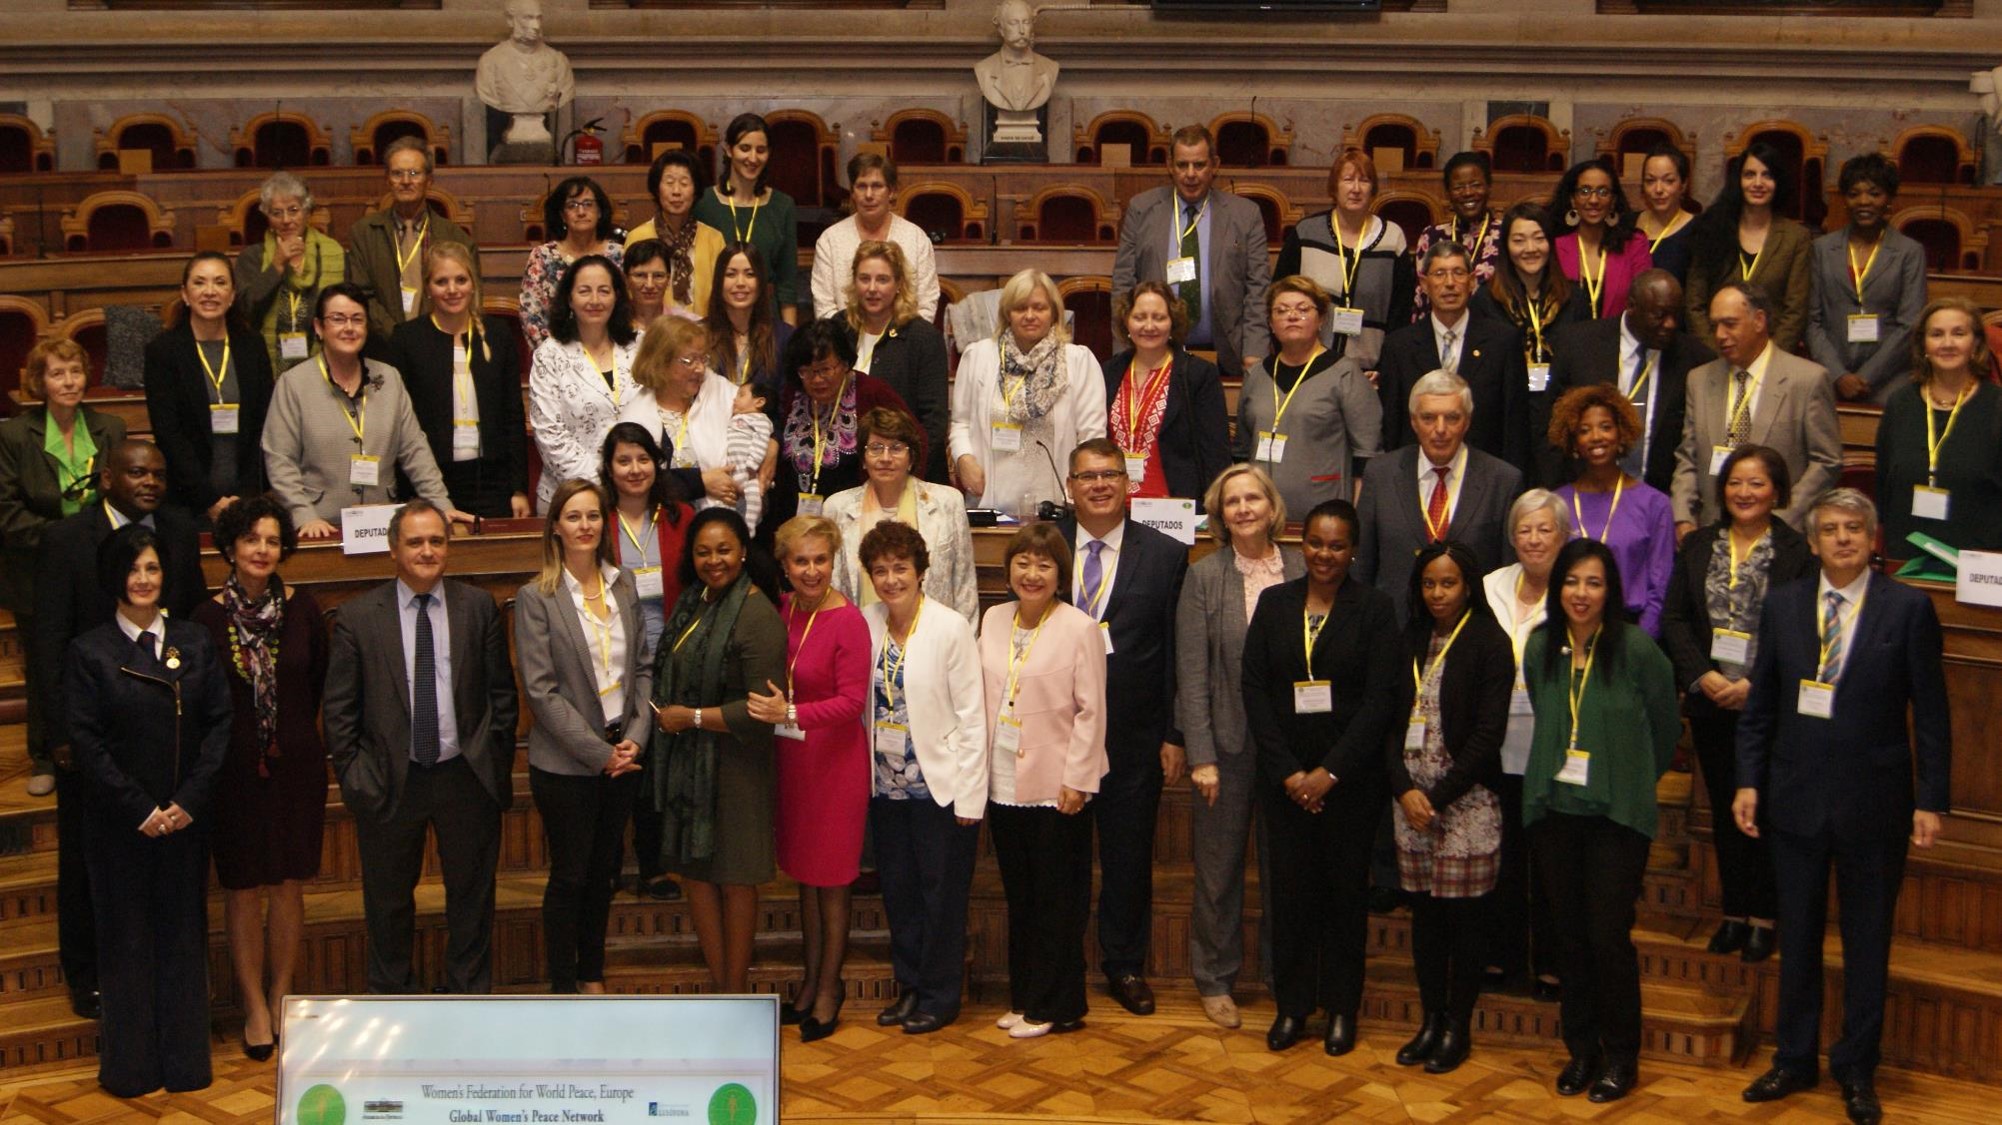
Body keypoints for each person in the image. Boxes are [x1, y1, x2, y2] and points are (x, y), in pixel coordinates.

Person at [1734, 489, 1950, 1125]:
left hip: (1876, 805)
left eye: (1854, 528)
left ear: (1872, 537)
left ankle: (1856, 1068)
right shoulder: (1783, 605)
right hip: (1794, 798)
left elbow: (1931, 715)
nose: (1843, 539)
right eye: (1830, 529)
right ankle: (1794, 1058)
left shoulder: (1907, 609)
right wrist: (1748, 782)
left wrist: (1932, 799)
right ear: (1814, 541)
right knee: (1797, 937)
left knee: (1867, 943)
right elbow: (1761, 706)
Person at [32, 440, 205, 1022]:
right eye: (136, 472)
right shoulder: (65, 540)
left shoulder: (177, 533)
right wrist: (59, 734)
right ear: (107, 479)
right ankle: (88, 976)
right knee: (86, 862)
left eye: (158, 473)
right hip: (92, 737)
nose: (150, 482)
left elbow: (192, 622)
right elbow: (48, 640)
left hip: (166, 735)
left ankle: (165, 972)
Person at [324, 501, 519, 994]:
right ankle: (392, 998)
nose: (427, 551)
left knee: (471, 898)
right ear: (393, 549)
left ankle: (467, 997)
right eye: (415, 542)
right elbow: (340, 711)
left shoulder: (478, 607)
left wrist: (492, 760)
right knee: (388, 901)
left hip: (465, 775)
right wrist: (356, 776)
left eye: (436, 541)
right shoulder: (357, 618)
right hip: (390, 779)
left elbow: (502, 695)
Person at [64, 525, 231, 1097]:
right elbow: (86, 745)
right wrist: (141, 809)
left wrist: (187, 802)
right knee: (126, 947)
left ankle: (186, 1066)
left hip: (184, 822)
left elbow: (219, 726)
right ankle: (131, 1070)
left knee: (184, 942)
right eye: (133, 569)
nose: (143, 579)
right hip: (120, 827)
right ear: (114, 577)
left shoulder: (194, 641)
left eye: (153, 568)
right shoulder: (89, 651)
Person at [1521, 538, 1682, 1103]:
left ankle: (1621, 1055)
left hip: (1617, 817)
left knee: (1607, 937)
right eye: (1571, 581)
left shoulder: (1636, 649)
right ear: (1557, 587)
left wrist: (1632, 777)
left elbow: (1666, 727)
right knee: (1568, 937)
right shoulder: (1540, 646)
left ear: (1610, 590)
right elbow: (1545, 713)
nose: (1581, 593)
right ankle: (1581, 1051)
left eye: (1593, 582)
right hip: (1555, 813)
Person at [1242, 499, 1399, 1055]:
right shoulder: (1275, 602)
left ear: (1352, 551)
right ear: (1300, 543)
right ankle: (1292, 1007)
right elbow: (1254, 687)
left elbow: (1381, 700)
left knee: (1343, 901)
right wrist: (1289, 772)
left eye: (1336, 546)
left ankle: (1340, 1010)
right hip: (1285, 785)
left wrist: (1329, 772)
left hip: (1350, 785)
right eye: (1315, 543)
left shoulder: (1375, 609)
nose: (1324, 554)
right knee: (1290, 899)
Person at [1660, 446, 1812, 965]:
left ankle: (1765, 917)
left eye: (1756, 483)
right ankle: (1734, 912)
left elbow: (1801, 629)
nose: (1744, 493)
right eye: (1734, 483)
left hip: (1765, 704)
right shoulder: (1699, 544)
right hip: (1710, 700)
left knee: (1763, 809)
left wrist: (1755, 684)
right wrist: (1700, 675)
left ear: (1778, 491)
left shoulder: (1796, 551)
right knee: (1726, 809)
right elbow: (1675, 618)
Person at [1054, 438, 1189, 1017]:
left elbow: (1178, 652)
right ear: (1070, 487)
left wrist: (1175, 734)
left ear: (1128, 483)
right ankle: (1059, 964)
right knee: (1061, 859)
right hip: (1058, 734)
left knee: (1128, 859)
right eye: (1087, 476)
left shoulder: (1165, 554)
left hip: (1134, 736)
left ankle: (1125, 964)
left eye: (1110, 474)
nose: (1100, 485)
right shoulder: (1045, 547)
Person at [191, 496, 328, 1059]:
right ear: (230, 547)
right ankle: (252, 1004)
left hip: (296, 766)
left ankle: (281, 996)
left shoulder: (305, 610)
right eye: (251, 539)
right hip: (232, 772)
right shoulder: (205, 620)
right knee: (243, 888)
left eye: (272, 540)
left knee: (289, 884)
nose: (262, 550)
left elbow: (314, 686)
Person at [1175, 464, 1302, 1029]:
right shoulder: (1205, 576)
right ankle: (1215, 978)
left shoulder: (1302, 568)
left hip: (1292, 749)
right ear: (1220, 515)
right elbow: (1192, 672)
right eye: (1233, 502)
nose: (1244, 508)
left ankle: (1284, 975)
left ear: (1272, 507)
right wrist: (1201, 755)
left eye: (1254, 498)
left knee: (1288, 871)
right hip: (1226, 746)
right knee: (1218, 871)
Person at [514, 479, 652, 994]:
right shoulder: (537, 598)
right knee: (571, 876)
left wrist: (636, 737)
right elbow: (541, 691)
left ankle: (591, 974)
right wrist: (600, 754)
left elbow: (643, 669)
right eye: (573, 516)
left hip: (624, 754)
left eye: (593, 515)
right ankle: (562, 985)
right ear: (555, 527)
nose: (585, 525)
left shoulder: (624, 585)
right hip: (567, 765)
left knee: (603, 874)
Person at [649, 508, 788, 994]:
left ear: (744, 551)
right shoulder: (696, 600)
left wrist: (690, 717)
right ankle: (719, 989)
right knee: (697, 876)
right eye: (703, 552)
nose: (714, 561)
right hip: (691, 766)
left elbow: (760, 710)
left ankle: (736, 995)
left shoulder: (757, 614)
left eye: (724, 550)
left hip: (737, 768)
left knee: (734, 879)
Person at [858, 520, 988, 1034]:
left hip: (941, 787)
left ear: (920, 571)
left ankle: (941, 995)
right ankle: (910, 987)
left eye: (900, 568)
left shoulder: (949, 627)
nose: (891, 579)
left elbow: (972, 717)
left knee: (942, 898)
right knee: (900, 893)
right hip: (884, 787)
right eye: (880, 570)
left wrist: (970, 797)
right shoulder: (866, 622)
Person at [1387, 542, 1512, 1075]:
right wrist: (1404, 791)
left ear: (1468, 585)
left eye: (1448, 583)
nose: (1437, 593)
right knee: (1427, 921)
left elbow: (1488, 736)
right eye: (1429, 583)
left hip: (1465, 806)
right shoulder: (1410, 637)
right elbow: (1387, 720)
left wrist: (1435, 798)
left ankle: (1457, 1026)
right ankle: (1430, 1020)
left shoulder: (1489, 641)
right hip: (1410, 806)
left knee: (1465, 924)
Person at [980, 523, 1109, 1039]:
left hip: (1059, 787)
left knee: (1059, 901)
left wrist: (1078, 780)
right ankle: (1026, 998)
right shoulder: (993, 619)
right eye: (1023, 563)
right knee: (1022, 898)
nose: (1032, 574)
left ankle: (1058, 1005)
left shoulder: (1080, 628)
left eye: (1044, 565)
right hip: (1003, 782)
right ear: (1008, 569)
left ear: (1060, 574)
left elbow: (1092, 712)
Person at [743, 516, 869, 1040]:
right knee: (805, 879)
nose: (812, 570)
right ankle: (809, 980)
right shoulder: (782, 609)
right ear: (785, 566)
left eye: (821, 560)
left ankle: (830, 989)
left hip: (835, 767)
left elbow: (852, 702)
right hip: (793, 766)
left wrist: (790, 713)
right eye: (801, 561)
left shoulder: (849, 620)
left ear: (834, 561)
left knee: (832, 883)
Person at [0, 339, 126, 799]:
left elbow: (123, 494)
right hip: (36, 568)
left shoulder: (110, 428)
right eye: (57, 373)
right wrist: (64, 538)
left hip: (98, 566)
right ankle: (45, 755)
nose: (69, 382)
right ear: (40, 381)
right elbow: (6, 512)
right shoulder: (15, 435)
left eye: (75, 371)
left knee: (104, 658)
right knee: (45, 665)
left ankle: (106, 746)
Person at [261, 283, 467, 539]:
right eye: (338, 319)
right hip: (321, 526)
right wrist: (304, 515)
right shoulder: (294, 384)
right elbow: (280, 459)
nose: (349, 328)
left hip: (382, 525)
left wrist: (441, 505)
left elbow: (415, 450)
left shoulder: (388, 378)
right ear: (319, 327)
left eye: (357, 319)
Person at [1479, 489, 1570, 1001]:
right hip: (1494, 745)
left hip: (1552, 747)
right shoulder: (1490, 585)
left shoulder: (1577, 590)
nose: (1534, 539)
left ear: (1563, 536)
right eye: (1524, 530)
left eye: (1544, 529)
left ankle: (1553, 963)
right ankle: (1501, 954)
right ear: (1512, 537)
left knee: (1551, 861)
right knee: (1502, 856)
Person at [1672, 282, 1841, 539]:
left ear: (1759, 320)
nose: (1720, 335)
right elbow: (1688, 456)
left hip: (1781, 534)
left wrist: (1780, 518)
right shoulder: (1699, 379)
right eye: (1715, 325)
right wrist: (1683, 517)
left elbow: (1826, 461)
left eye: (1730, 324)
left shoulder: (1807, 380)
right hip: (1711, 532)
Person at [1355, 370, 1523, 627]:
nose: (1440, 429)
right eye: (1428, 418)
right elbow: (1363, 564)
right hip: (1395, 629)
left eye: (1452, 418)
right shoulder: (1381, 474)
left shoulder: (1503, 481)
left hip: (1472, 632)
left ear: (1467, 422)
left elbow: (1510, 574)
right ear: (1413, 421)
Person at [1111, 124, 1271, 376]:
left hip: (1227, 354)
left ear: (1215, 165)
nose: (1190, 174)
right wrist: (1124, 350)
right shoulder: (1142, 209)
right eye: (1182, 165)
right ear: (1169, 165)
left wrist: (1255, 352)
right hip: (1152, 350)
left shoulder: (1245, 215)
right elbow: (1123, 283)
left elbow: (1258, 289)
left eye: (1199, 165)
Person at [385, 242, 530, 519]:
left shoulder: (498, 335)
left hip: (491, 481)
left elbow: (512, 415)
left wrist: (518, 488)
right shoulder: (407, 339)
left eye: (461, 280)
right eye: (441, 282)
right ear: (428, 288)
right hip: (429, 480)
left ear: (473, 284)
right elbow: (400, 422)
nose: (452, 290)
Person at [948, 268, 1107, 515]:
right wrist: (964, 459)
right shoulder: (979, 356)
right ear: (1007, 313)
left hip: (1057, 506)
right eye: (1020, 308)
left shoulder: (1078, 361)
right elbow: (960, 423)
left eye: (1039, 308)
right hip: (990, 500)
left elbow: (1092, 436)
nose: (1030, 316)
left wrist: (1080, 486)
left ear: (1054, 312)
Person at [1547, 269, 1713, 494]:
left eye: (1676, 315)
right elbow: (1548, 428)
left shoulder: (1695, 359)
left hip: (1658, 499)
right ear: (1632, 306)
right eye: (1659, 315)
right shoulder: (1577, 344)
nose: (1670, 324)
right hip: (1583, 493)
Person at [1230, 276, 1380, 518]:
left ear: (1321, 319)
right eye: (1281, 311)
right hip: (1261, 516)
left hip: (1325, 516)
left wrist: (1357, 520)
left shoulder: (1344, 373)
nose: (1291, 316)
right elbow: (1242, 451)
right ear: (1270, 323)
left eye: (1302, 309)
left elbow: (1367, 455)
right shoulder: (1256, 375)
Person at [143, 251, 274, 526]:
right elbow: (168, 433)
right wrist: (209, 500)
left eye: (220, 282)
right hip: (186, 501)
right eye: (200, 282)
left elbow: (265, 424)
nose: (210, 291)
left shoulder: (252, 345)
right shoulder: (163, 351)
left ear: (232, 294)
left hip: (246, 497)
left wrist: (244, 496)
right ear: (185, 293)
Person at [1468, 201, 1589, 485]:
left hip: (1559, 416)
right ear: (1506, 247)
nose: (1530, 248)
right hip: (1507, 417)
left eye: (1538, 238)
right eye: (1519, 240)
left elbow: (1583, 363)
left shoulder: (1574, 297)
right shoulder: (1487, 300)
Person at [1380, 241, 1529, 471]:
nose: (1450, 283)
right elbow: (1392, 426)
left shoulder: (1503, 342)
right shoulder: (1399, 346)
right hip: (1417, 473)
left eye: (1458, 273)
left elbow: (1515, 425)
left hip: (1485, 474)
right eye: (1439, 274)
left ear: (1472, 281)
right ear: (1424, 284)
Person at [1874, 297, 2002, 556]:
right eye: (1936, 334)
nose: (1947, 343)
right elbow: (1884, 483)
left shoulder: (1997, 405)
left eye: (1959, 333)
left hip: (1977, 558)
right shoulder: (1900, 404)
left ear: (1976, 343)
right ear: (1923, 344)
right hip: (1905, 554)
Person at [825, 407, 978, 621]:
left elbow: (965, 587)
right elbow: (833, 590)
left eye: (896, 448)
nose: (885, 458)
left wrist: (963, 638)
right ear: (863, 458)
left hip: (934, 634)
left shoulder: (947, 502)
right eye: (876, 448)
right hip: (862, 633)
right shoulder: (837, 508)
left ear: (911, 458)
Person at [1274, 147, 1413, 378]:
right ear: (1334, 187)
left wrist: (1385, 368)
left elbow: (1401, 311)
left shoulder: (1392, 238)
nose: (1356, 189)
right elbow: (1279, 295)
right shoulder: (1307, 232)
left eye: (1364, 180)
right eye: (1348, 179)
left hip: (1369, 371)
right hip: (1309, 366)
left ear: (1373, 189)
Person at [1548, 386, 1676, 637]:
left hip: (1632, 631)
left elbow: (1660, 588)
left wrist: (1637, 643)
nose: (1596, 436)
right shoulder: (1557, 504)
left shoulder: (1654, 504)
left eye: (1605, 427)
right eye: (1584, 430)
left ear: (1621, 434)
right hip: (1569, 631)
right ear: (1573, 442)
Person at [770, 318, 915, 530]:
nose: (816, 379)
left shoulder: (872, 393)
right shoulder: (793, 393)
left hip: (858, 521)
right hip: (797, 524)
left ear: (845, 364)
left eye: (825, 369)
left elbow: (914, 441)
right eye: (807, 371)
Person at [1809, 154, 1929, 405]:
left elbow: (1910, 325)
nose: (1864, 201)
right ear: (1845, 200)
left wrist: (1866, 377)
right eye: (1854, 194)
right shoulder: (1821, 249)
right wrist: (1839, 375)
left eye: (1874, 193)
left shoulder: (1909, 252)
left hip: (1889, 377)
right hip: (1829, 372)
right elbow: (1811, 321)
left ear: (1889, 199)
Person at [530, 254, 642, 513]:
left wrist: (631, 478)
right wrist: (607, 484)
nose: (595, 300)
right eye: (584, 291)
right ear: (569, 299)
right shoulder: (549, 355)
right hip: (570, 498)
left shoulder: (641, 346)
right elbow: (550, 434)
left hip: (636, 491)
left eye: (604, 291)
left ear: (616, 296)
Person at [1103, 281, 1231, 506]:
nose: (1149, 326)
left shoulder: (1198, 375)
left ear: (1173, 322)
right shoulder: (1109, 371)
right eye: (1140, 317)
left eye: (1159, 318)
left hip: (1175, 507)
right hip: (1115, 505)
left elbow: (1215, 453)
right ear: (1126, 322)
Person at [614, 316, 752, 512]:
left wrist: (772, 442)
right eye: (689, 361)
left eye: (703, 358)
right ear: (660, 362)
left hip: (723, 519)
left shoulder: (718, 390)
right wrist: (701, 482)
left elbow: (759, 416)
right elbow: (633, 482)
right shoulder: (636, 417)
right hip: (661, 521)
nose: (700, 368)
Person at [1685, 145, 1815, 353]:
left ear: (1778, 182)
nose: (1758, 183)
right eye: (1749, 175)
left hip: (1772, 357)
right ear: (1738, 181)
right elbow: (1694, 304)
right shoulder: (1712, 230)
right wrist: (1717, 353)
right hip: (1716, 353)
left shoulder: (1796, 238)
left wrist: (1767, 360)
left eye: (1767, 175)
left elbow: (1795, 311)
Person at [840, 240, 951, 482]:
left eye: (882, 280)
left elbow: (934, 422)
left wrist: (908, 471)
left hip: (908, 473)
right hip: (848, 471)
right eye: (864, 279)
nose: (872, 288)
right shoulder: (837, 329)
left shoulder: (923, 337)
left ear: (899, 284)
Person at [347, 136, 476, 340]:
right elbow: (361, 295)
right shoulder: (363, 233)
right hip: (382, 346)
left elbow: (469, 297)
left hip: (439, 343)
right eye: (397, 173)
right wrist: (399, 337)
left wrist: (427, 338)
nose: (406, 181)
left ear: (429, 180)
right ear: (387, 180)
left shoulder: (457, 238)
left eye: (414, 173)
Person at [693, 113, 801, 324]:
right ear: (728, 149)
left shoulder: (783, 205)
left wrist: (790, 335)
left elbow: (787, 282)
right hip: (714, 317)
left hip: (765, 317)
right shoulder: (703, 203)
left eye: (761, 150)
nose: (753, 158)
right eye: (744, 148)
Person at [234, 171, 345, 374]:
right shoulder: (252, 257)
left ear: (307, 212)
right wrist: (276, 265)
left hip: (324, 363)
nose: (286, 220)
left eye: (293, 210)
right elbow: (245, 310)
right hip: (265, 365)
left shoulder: (332, 253)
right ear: (267, 216)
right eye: (276, 213)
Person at [812, 153, 941, 323]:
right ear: (852, 192)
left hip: (905, 337)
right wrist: (854, 337)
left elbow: (926, 304)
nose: (868, 195)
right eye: (861, 186)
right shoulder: (830, 240)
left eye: (877, 186)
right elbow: (824, 308)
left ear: (892, 191)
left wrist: (899, 337)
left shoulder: (916, 239)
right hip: (843, 337)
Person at [519, 176, 623, 351]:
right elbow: (531, 316)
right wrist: (559, 355)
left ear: (600, 211)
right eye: (572, 205)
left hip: (611, 351)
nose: (581, 212)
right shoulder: (542, 256)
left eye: (588, 204)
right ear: (562, 215)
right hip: (556, 355)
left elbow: (626, 309)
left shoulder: (618, 255)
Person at [624, 149, 725, 319]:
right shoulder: (638, 237)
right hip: (654, 331)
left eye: (684, 183)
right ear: (657, 189)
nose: (676, 191)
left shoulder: (714, 239)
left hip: (704, 331)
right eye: (669, 183)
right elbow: (629, 295)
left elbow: (722, 297)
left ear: (696, 191)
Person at [1551, 157, 1653, 320]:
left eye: (1603, 192)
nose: (1593, 200)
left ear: (1613, 201)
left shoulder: (1634, 244)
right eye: (1584, 191)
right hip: (1566, 335)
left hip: (1618, 335)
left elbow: (1644, 304)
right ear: (1572, 200)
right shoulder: (1554, 246)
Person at [1411, 151, 1504, 322]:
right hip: (1441, 333)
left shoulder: (1506, 235)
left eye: (1476, 185)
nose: (1468, 192)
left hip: (1493, 333)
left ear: (1489, 188)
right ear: (1448, 194)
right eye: (1458, 187)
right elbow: (1422, 300)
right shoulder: (1431, 236)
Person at [704, 242, 794, 394]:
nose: (740, 283)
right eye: (731, 274)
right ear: (718, 281)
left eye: (750, 274)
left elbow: (788, 399)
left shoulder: (784, 337)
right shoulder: (698, 334)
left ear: (761, 282)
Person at [1635, 144, 1698, 284]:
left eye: (1668, 181)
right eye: (1650, 181)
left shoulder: (1698, 231)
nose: (1658, 189)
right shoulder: (1627, 224)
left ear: (1683, 184)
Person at [725, 382, 774, 534]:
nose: (735, 399)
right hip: (732, 467)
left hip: (748, 469)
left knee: (753, 494)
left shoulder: (761, 420)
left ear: (759, 402)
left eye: (741, 395)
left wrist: (753, 462)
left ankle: (750, 526)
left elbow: (761, 440)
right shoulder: (734, 418)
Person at [621, 239, 675, 328]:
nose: (650, 285)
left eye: (658, 276)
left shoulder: (688, 326)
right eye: (640, 275)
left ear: (668, 279)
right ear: (626, 280)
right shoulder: (608, 325)